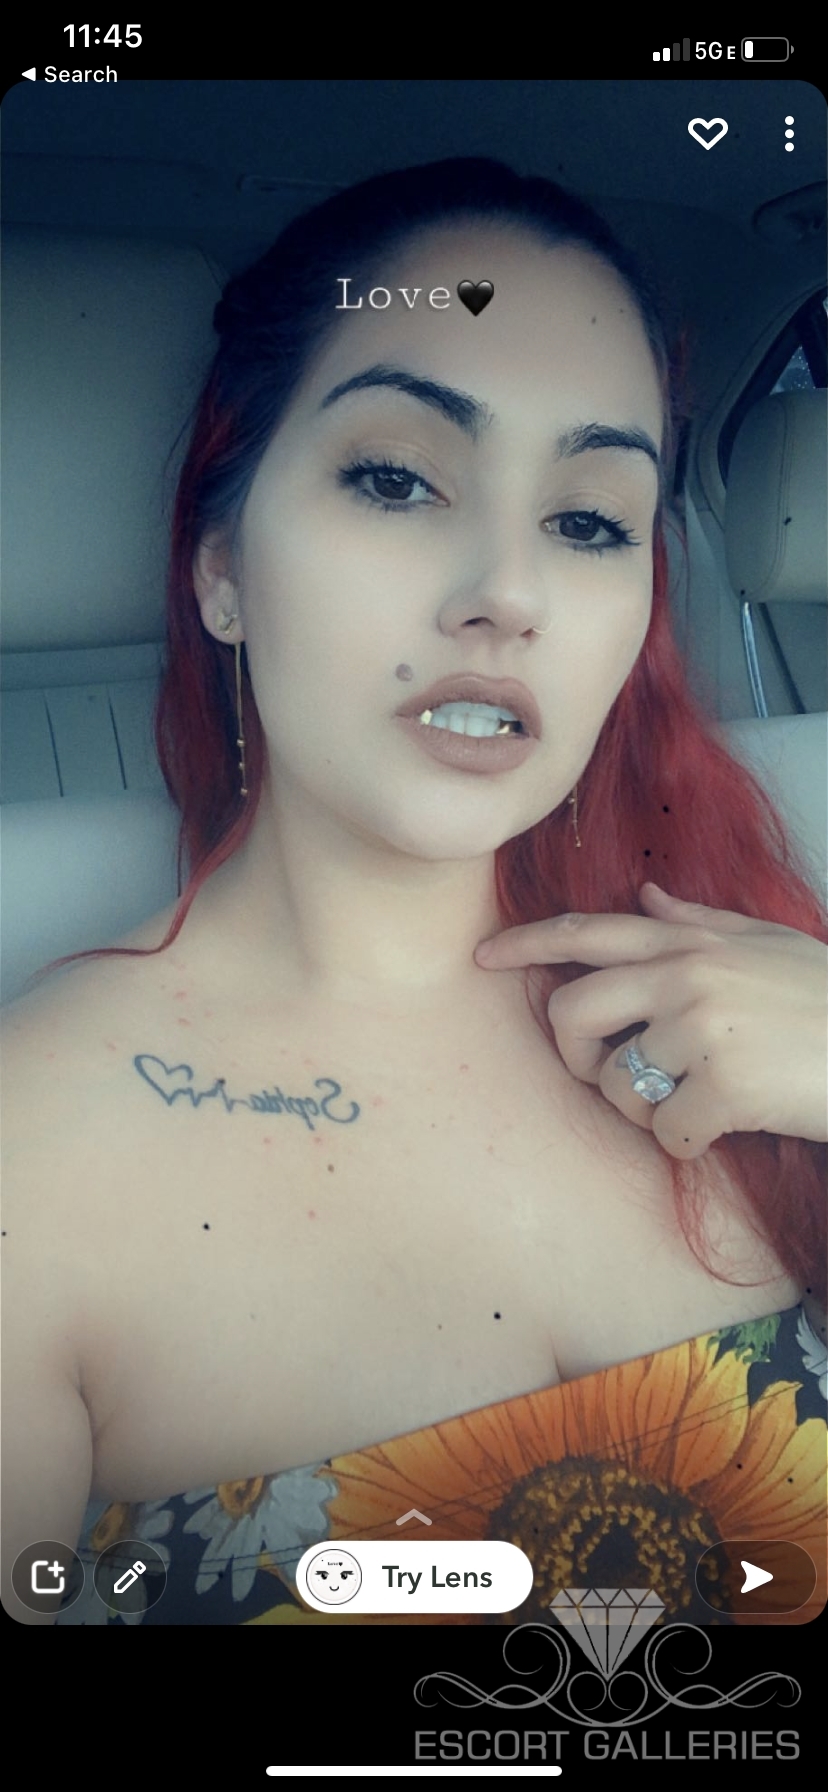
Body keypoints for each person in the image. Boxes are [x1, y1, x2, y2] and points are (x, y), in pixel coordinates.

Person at [2, 159, 826, 1630]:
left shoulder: (764, 974)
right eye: (396, 479)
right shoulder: (33, 1153)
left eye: (590, 521)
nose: (506, 591)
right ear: (219, 565)